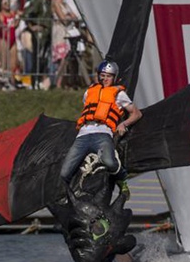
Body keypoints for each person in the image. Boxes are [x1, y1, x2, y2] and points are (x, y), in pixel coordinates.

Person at [58, 60, 142, 199]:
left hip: (103, 133)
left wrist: (123, 124)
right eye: (102, 75)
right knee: (64, 173)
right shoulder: (89, 92)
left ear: (114, 77)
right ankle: (68, 196)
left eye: (108, 76)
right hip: (83, 134)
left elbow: (137, 113)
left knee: (109, 162)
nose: (105, 78)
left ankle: (122, 180)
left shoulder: (119, 95)